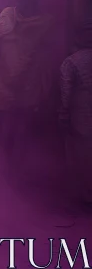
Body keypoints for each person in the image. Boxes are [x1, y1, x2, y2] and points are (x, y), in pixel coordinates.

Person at [0, 0, 54, 167]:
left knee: (23, 128)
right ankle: (6, 166)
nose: (19, 2)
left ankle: (18, 166)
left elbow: (47, 52)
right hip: (5, 81)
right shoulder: (8, 14)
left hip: (29, 81)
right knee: (7, 128)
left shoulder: (46, 22)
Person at [58, 21, 92, 211]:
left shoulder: (71, 61)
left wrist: (63, 113)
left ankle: (85, 196)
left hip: (80, 111)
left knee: (80, 154)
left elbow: (66, 90)